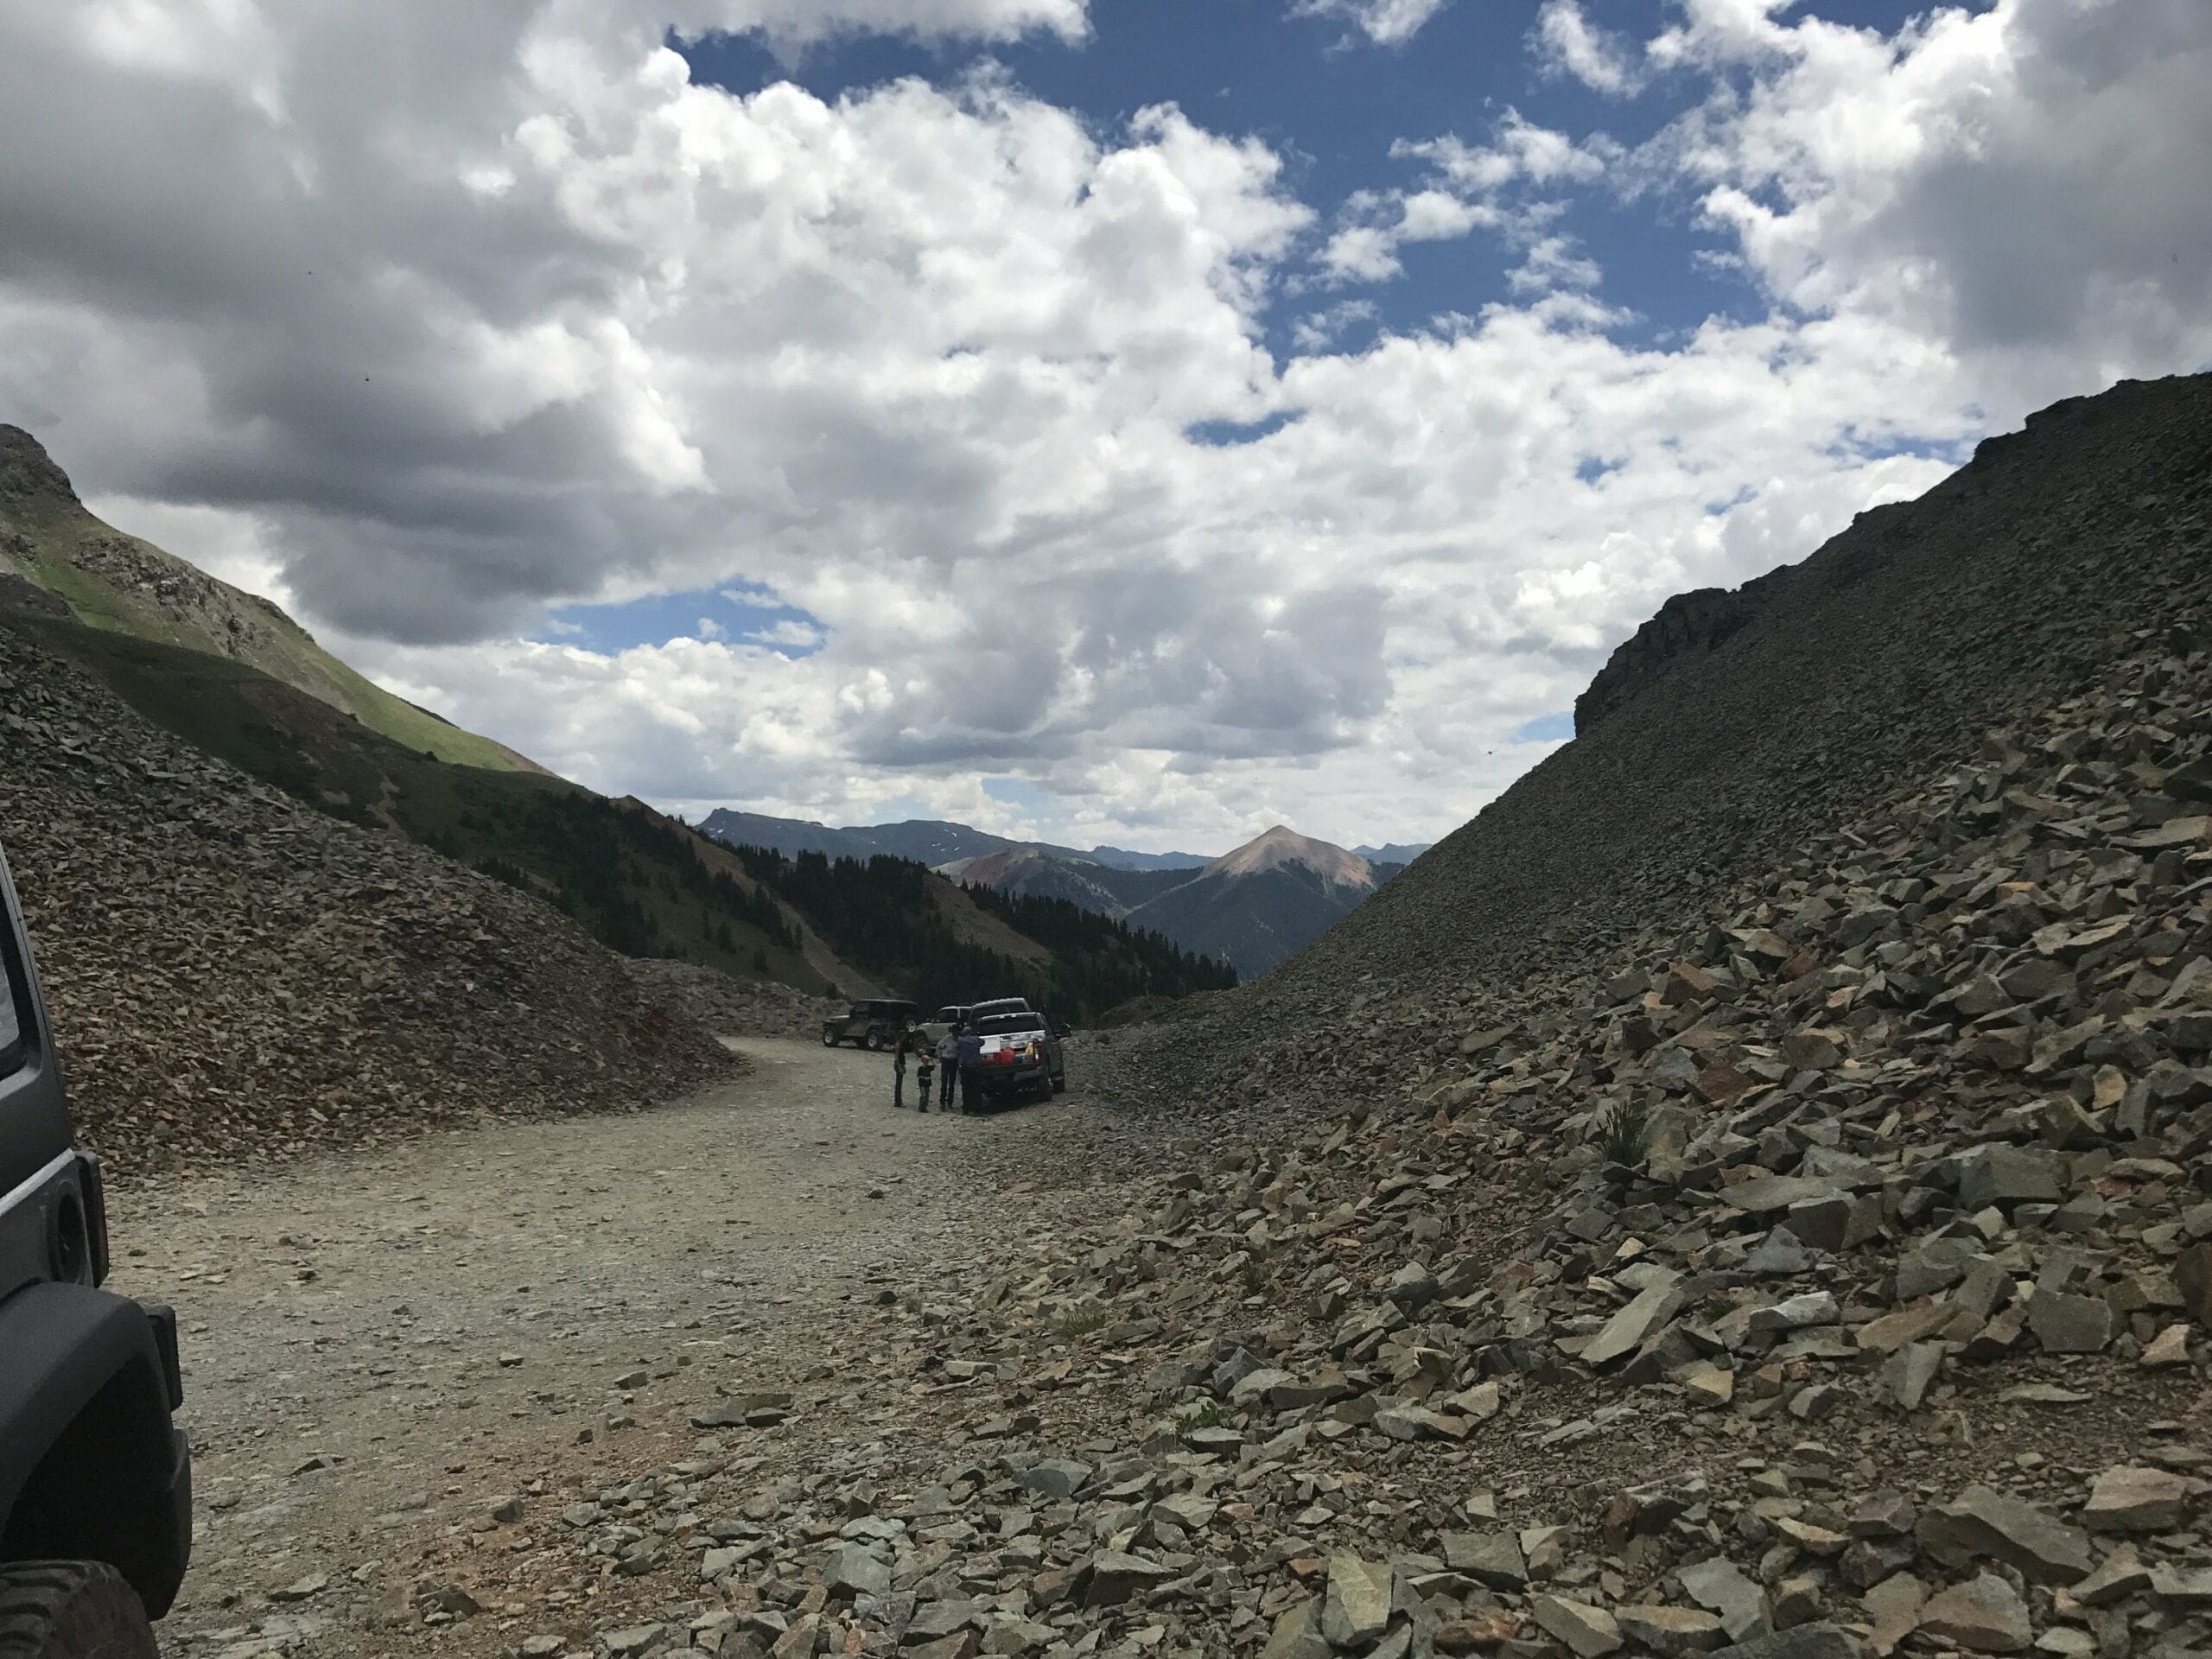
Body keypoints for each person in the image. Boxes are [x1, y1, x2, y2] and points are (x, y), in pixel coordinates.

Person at [956, 1021, 983, 1115]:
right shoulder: (977, 1040)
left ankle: (966, 1109)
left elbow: (957, 1048)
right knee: (976, 1089)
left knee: (966, 1089)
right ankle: (977, 1109)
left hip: (965, 1068)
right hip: (976, 1068)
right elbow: (983, 1042)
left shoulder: (961, 1041)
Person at [936, 1025, 960, 1110]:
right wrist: (940, 1057)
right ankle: (942, 1102)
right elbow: (938, 1046)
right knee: (944, 1082)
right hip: (946, 1060)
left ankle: (950, 1102)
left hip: (953, 1061)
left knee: (952, 1083)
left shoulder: (959, 1041)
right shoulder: (947, 1039)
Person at [914, 1037, 935, 1115]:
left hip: (927, 1083)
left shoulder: (929, 1068)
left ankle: (924, 1107)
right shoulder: (920, 1068)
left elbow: (934, 1066)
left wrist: (932, 1060)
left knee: (927, 1096)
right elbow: (918, 1076)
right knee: (923, 1095)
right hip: (922, 1083)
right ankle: (921, 1106)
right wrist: (924, 1078)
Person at [892, 1029, 909, 1109]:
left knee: (899, 1083)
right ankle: (898, 1101)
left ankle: (898, 1100)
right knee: (899, 1084)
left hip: (901, 1064)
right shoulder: (898, 1045)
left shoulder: (900, 1044)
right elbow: (897, 1056)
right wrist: (899, 1066)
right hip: (899, 1064)